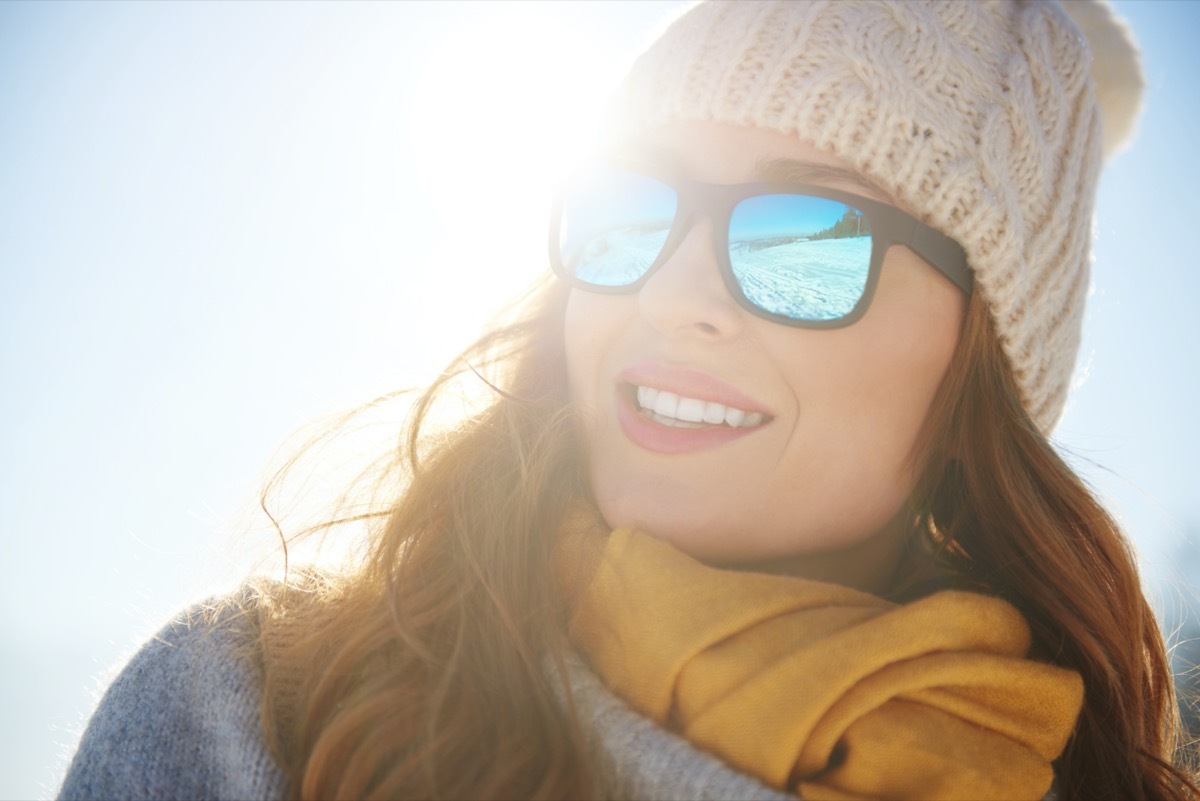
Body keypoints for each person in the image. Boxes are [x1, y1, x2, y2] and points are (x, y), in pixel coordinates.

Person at [58, 1, 1199, 799]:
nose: (674, 289)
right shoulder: (254, 712)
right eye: (631, 208)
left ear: (982, 364)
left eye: (808, 237)